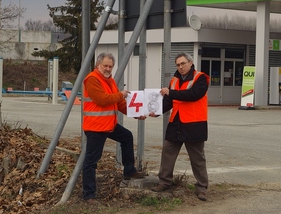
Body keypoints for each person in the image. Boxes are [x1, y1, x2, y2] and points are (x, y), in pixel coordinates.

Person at [82, 52, 145, 204]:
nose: (108, 69)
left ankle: (129, 170)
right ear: (98, 65)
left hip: (108, 125)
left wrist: (135, 114)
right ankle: (89, 195)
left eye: (110, 66)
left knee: (127, 136)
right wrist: (121, 95)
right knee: (91, 161)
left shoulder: (109, 81)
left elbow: (118, 103)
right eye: (106, 66)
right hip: (95, 127)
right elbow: (103, 100)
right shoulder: (92, 79)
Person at [150, 52, 210, 201]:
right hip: (176, 123)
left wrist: (171, 92)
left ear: (190, 63)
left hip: (194, 124)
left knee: (197, 158)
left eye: (183, 63)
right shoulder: (174, 81)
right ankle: (164, 182)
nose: (181, 67)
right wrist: (154, 111)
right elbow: (169, 102)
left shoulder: (201, 78)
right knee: (167, 153)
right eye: (178, 64)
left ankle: (202, 188)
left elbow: (193, 95)